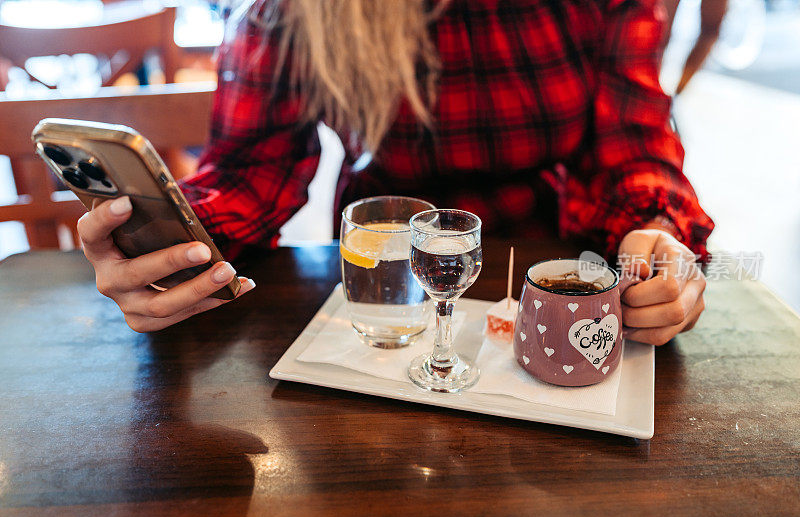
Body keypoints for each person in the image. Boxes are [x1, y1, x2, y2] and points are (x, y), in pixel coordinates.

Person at [76, 0, 714, 344]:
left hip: (548, 264)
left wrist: (654, 231)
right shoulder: (292, 11)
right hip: (380, 271)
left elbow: (633, 143)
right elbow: (249, 173)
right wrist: (166, 246)